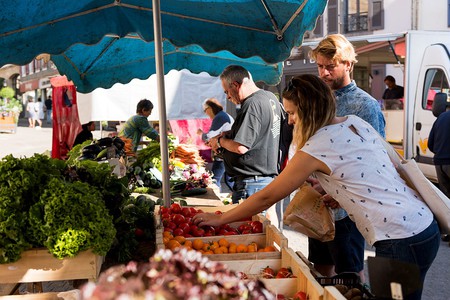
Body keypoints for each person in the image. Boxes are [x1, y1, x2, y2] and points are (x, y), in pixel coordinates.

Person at [193, 74, 440, 300]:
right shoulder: (354, 122)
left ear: (308, 110)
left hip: (399, 238)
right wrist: (333, 189)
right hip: (424, 227)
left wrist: (221, 219)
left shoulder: (317, 145)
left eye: (291, 113)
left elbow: (267, 196)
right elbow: (377, 170)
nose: (289, 121)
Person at [307, 33, 386, 280]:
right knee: (319, 269)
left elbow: (376, 162)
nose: (324, 73)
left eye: (330, 67)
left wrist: (340, 195)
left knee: (351, 274)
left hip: (347, 210)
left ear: (348, 64)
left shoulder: (366, 105)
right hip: (318, 204)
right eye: (320, 66)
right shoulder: (319, 100)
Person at [208, 65, 282, 204]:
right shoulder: (270, 98)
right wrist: (231, 133)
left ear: (236, 85)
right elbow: (262, 132)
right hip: (262, 180)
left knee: (247, 225)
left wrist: (220, 142)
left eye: (226, 92)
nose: (228, 97)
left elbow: (241, 147)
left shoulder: (251, 103)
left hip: (252, 183)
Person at [197, 98, 234, 191]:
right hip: (228, 152)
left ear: (210, 108)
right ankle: (240, 199)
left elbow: (209, 137)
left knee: (215, 180)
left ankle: (217, 201)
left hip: (224, 154)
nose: (206, 113)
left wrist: (201, 134)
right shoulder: (223, 115)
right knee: (229, 180)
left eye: (205, 111)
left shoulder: (219, 117)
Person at [428, 102, 450, 198]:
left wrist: (440, 153)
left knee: (445, 199)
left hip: (439, 162)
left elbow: (430, 143)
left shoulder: (441, 117)